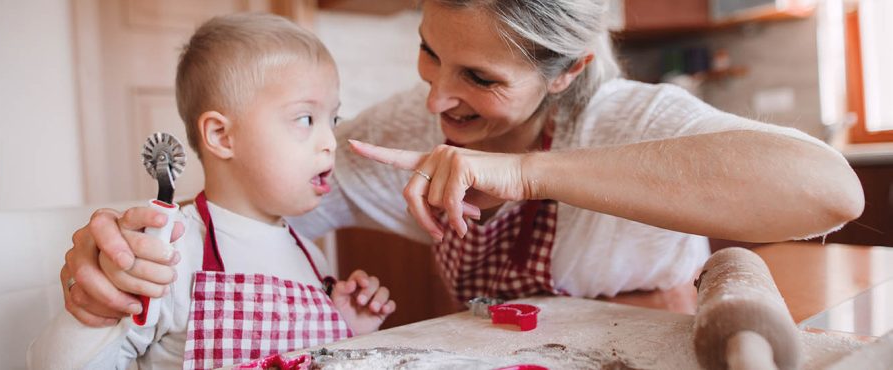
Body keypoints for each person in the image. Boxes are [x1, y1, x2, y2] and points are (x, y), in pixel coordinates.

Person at [62, 0, 862, 327]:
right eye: (429, 53)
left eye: (479, 79)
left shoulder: (632, 119)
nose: (438, 100)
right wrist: (126, 249)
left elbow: (829, 191)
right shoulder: (405, 127)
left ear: (569, 71)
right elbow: (241, 202)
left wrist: (528, 175)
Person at [28, 13, 396, 370]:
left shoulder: (312, 259)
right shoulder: (167, 255)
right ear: (222, 136)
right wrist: (95, 312)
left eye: (334, 120)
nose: (331, 141)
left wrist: (344, 324)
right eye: (305, 119)